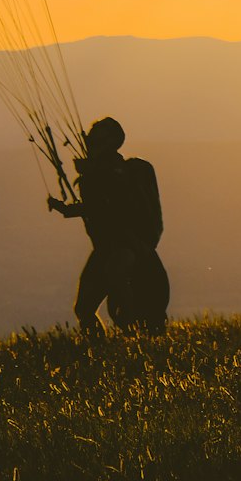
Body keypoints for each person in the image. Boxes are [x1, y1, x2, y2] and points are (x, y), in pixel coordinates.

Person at [47, 116, 169, 335]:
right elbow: (96, 207)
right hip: (105, 248)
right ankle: (98, 353)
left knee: (116, 273)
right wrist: (65, 208)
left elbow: (118, 202)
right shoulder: (93, 176)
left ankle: (132, 332)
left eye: (96, 138)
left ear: (111, 142)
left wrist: (92, 174)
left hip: (128, 244)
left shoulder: (128, 172)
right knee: (83, 309)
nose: (89, 142)